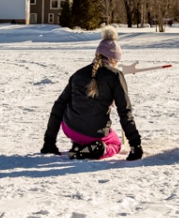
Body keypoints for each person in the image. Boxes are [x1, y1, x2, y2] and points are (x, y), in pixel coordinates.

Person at [42, 26, 144, 161]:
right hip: (94, 133)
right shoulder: (115, 75)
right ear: (113, 59)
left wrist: (49, 142)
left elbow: (59, 105)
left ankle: (80, 145)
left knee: (79, 116)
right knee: (116, 144)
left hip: (70, 129)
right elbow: (124, 110)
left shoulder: (78, 74)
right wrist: (135, 144)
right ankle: (99, 149)